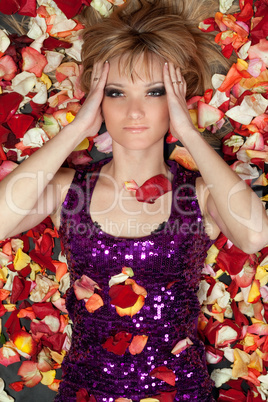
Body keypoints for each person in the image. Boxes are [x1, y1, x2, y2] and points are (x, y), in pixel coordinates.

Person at [0, 0, 267, 401]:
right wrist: (77, 130)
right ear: (98, 99)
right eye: (116, 92)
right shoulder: (66, 191)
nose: (136, 110)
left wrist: (190, 133)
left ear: (176, 99)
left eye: (155, 92)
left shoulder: (199, 193)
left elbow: (254, 236)